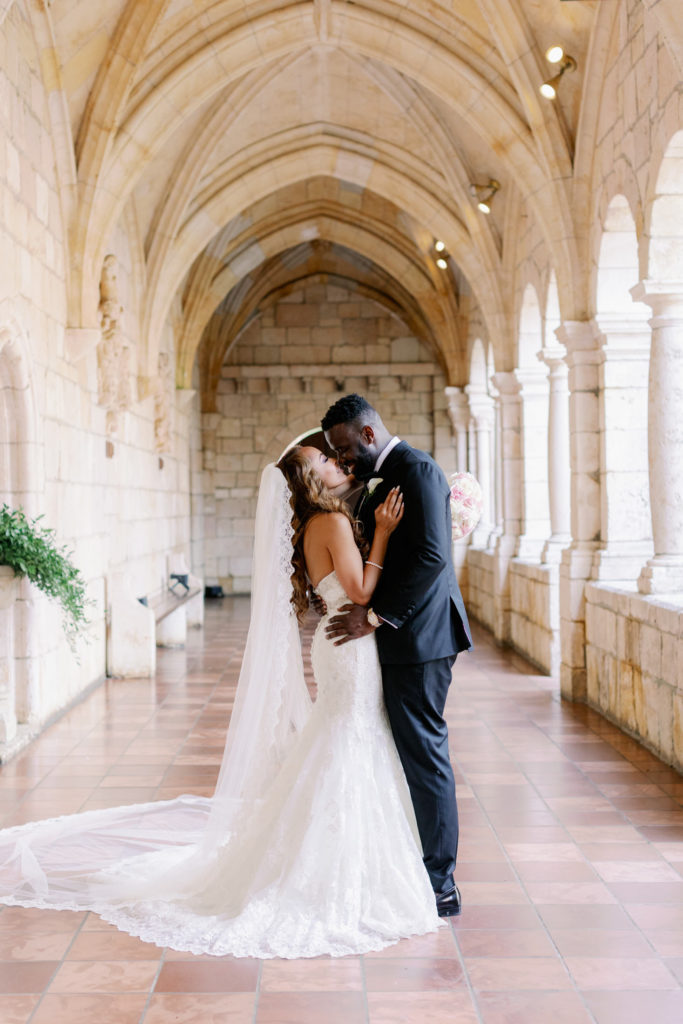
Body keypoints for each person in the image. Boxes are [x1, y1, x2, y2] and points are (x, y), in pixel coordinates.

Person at [0, 446, 441, 958]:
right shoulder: (331, 523)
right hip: (350, 644)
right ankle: (337, 869)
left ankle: (333, 857)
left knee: (342, 737)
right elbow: (362, 592)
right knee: (348, 738)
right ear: (308, 477)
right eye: (322, 458)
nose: (334, 460)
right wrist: (385, 533)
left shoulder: (314, 523)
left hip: (337, 642)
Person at [322, 394, 472, 917]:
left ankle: (440, 883)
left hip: (422, 639)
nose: (341, 461)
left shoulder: (420, 470)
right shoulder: (380, 479)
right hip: (402, 638)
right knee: (404, 752)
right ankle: (412, 863)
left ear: (367, 434)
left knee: (425, 756)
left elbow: (432, 556)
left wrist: (375, 617)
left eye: (344, 449)